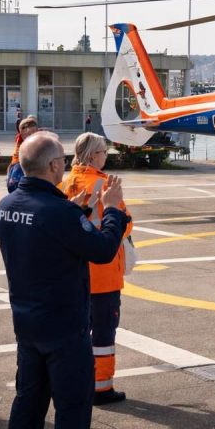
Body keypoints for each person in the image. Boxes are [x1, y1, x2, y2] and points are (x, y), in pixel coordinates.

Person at [0, 131, 129, 429]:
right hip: (64, 329)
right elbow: (101, 250)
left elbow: (41, 235)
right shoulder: (58, 213)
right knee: (72, 411)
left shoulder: (6, 207)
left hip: (27, 323)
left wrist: (73, 211)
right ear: (54, 165)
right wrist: (111, 211)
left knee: (28, 406)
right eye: (61, 162)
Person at [59, 132, 133, 406]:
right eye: (103, 151)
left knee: (78, 331)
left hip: (77, 270)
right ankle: (101, 386)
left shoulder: (69, 181)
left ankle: (78, 380)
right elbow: (125, 223)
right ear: (93, 155)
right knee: (103, 332)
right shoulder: (103, 184)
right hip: (102, 272)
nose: (106, 155)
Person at [7, 115, 40, 193]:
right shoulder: (21, 146)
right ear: (22, 135)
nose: (30, 137)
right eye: (27, 135)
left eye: (33, 134)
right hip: (18, 165)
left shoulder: (40, 140)